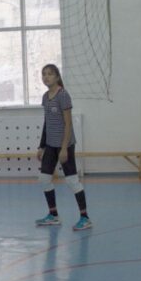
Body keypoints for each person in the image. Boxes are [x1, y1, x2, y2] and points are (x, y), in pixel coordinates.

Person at [33, 64, 91, 231]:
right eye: (44, 74)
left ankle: (85, 218)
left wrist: (64, 148)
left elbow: (68, 124)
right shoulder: (45, 97)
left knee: (72, 181)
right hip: (50, 145)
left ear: (57, 77)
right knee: (44, 179)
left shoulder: (63, 95)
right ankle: (53, 215)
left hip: (65, 145)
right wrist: (41, 146)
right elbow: (47, 123)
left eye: (50, 74)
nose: (46, 77)